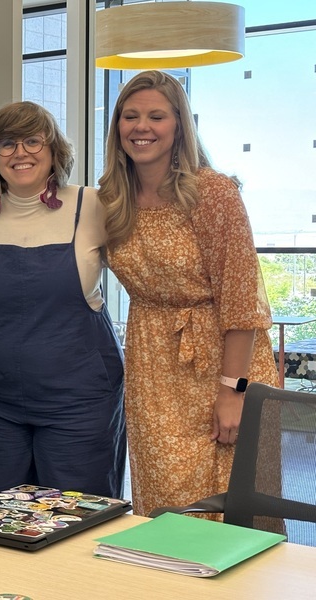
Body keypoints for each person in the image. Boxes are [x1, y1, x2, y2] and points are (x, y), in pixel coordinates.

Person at [98, 70, 278, 517]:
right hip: (153, 368)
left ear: (179, 126)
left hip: (225, 363)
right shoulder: (111, 199)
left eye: (156, 116)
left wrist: (232, 392)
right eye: (131, 116)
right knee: (164, 502)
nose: (142, 128)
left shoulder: (212, 192)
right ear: (117, 126)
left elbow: (241, 302)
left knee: (232, 507)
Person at [0, 101, 126, 500]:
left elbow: (152, 260)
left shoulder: (92, 205)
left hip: (80, 403)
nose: (21, 153)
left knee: (78, 521)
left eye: (33, 141)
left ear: (54, 151)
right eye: (7, 143)